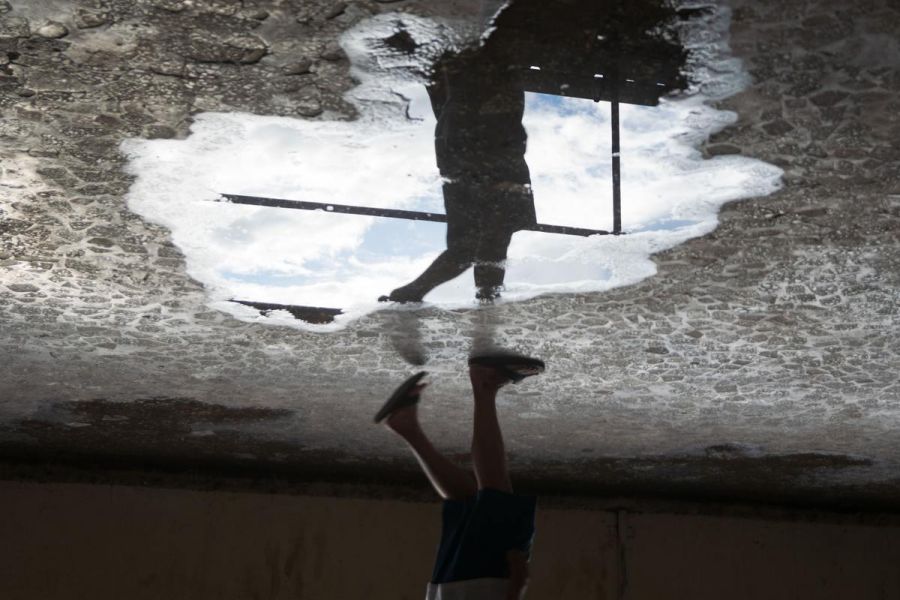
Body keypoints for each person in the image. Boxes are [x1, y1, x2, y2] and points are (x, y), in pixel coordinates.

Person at [374, 354, 545, 599]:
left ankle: (486, 384)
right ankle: (406, 425)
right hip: (445, 593)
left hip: (480, 589)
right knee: (469, 503)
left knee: (496, 497)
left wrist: (516, 588)